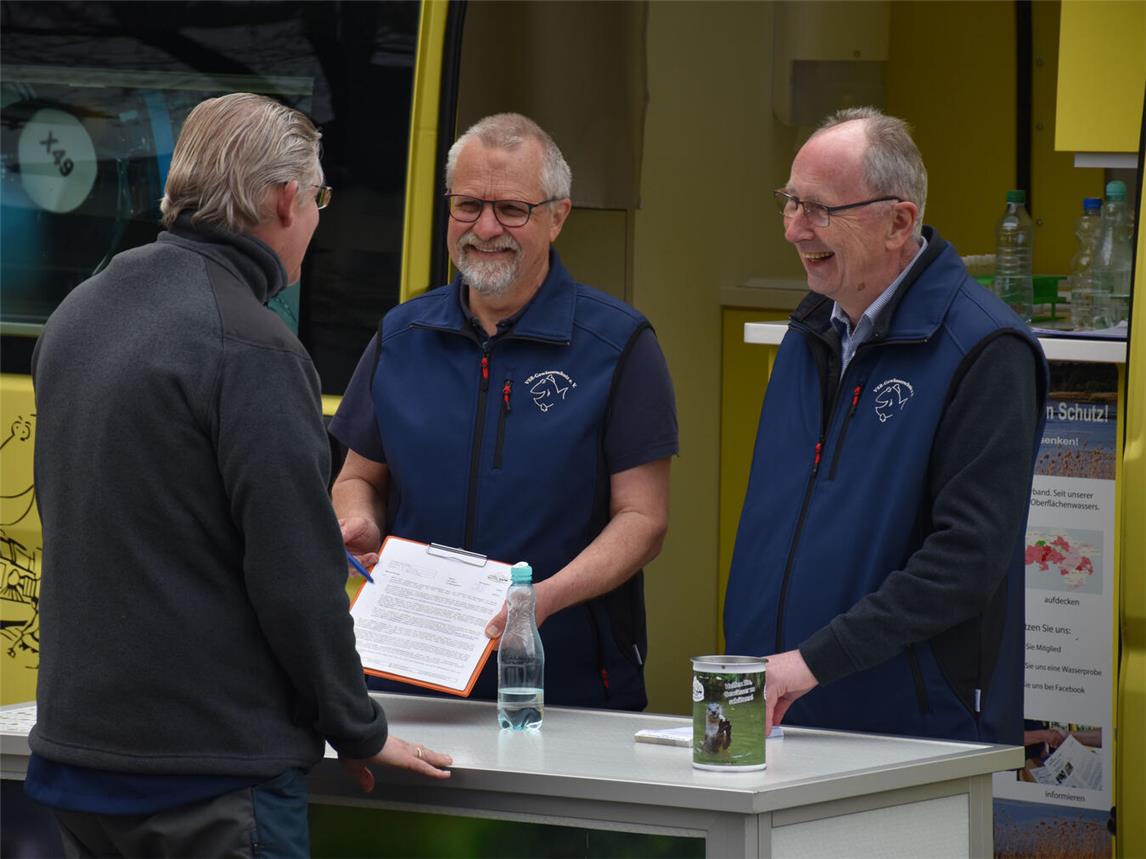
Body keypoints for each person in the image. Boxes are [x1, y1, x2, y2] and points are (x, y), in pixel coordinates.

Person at [27, 93, 451, 858]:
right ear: (285, 199)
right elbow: (295, 576)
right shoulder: (253, 346)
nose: (317, 219)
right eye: (319, 198)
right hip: (210, 782)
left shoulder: (77, 315)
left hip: (75, 761)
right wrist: (357, 725)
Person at [330, 113, 677, 710]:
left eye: (511, 209)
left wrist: (542, 599)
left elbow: (643, 520)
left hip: (564, 686)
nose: (485, 227)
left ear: (557, 216)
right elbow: (359, 476)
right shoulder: (401, 333)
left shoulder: (618, 344)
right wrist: (358, 521)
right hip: (403, 684)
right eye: (468, 205)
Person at [724, 107, 1048, 744]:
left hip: (909, 728)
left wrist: (813, 663)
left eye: (819, 209)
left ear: (900, 221)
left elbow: (965, 561)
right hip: (779, 705)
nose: (794, 229)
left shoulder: (984, 349)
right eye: (789, 202)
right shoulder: (810, 331)